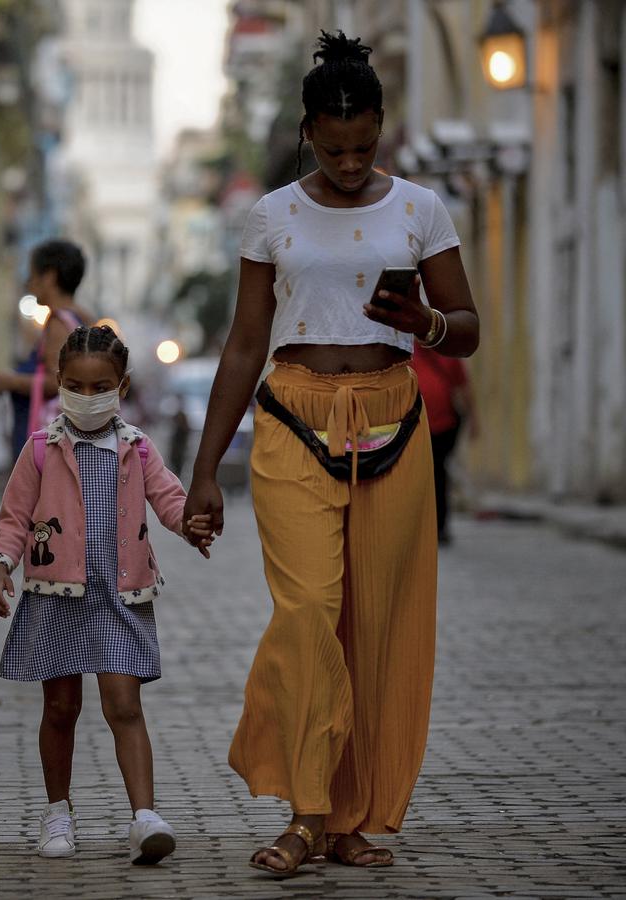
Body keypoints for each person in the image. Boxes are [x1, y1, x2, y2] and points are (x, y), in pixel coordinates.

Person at [182, 31, 479, 876]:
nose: (351, 164)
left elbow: (466, 331)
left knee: (375, 627)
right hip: (292, 418)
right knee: (310, 610)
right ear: (308, 131)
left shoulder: (420, 209)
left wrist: (419, 322)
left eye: (365, 146)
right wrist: (206, 471)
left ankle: (351, 816)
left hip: (393, 419)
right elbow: (244, 343)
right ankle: (307, 812)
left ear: (381, 127)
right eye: (335, 146)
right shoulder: (271, 215)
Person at [0, 325, 215, 865]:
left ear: (123, 387)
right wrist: (1, 565)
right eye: (77, 386)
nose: (88, 397)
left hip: (121, 597)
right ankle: (57, 812)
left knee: (124, 705)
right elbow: (15, 516)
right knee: (60, 707)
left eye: (101, 386)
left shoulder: (137, 448)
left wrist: (192, 524)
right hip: (54, 596)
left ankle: (144, 817)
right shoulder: (41, 449)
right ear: (60, 383)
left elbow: (169, 499)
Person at [0, 240, 95, 452]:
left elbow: (57, 382)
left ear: (50, 277)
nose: (29, 283)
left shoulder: (58, 323)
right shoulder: (81, 317)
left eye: (32, 275)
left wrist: (10, 381)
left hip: (46, 439)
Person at [411, 346, 478, 544]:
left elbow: (463, 386)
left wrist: (474, 420)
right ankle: (419, 527)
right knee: (417, 476)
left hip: (444, 426)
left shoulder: (448, 353)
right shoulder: (407, 352)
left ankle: (439, 526)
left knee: (438, 473)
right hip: (414, 427)